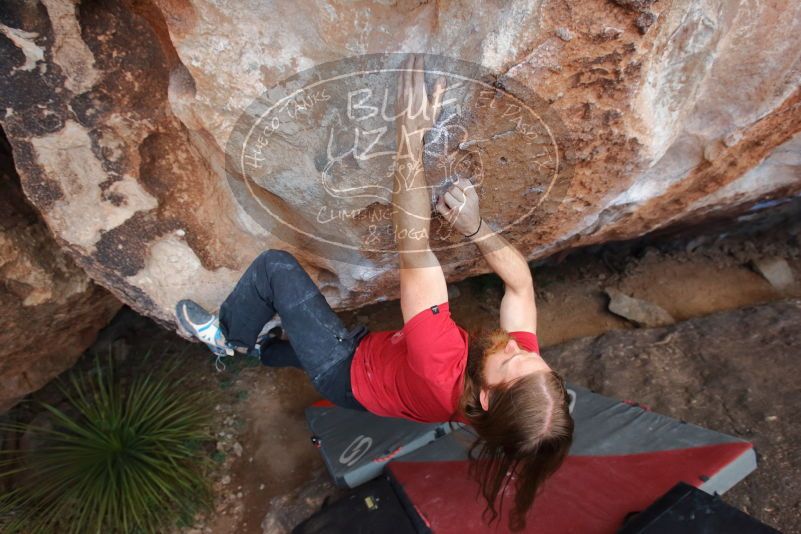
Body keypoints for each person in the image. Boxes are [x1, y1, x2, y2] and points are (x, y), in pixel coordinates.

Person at [176, 55, 573, 531]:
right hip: (374, 377)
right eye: (535, 358)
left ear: (486, 399)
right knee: (284, 348)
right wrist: (477, 227)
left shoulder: (438, 362)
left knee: (275, 270)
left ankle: (227, 339)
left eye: (513, 359)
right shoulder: (514, 381)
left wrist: (409, 135)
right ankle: (256, 352)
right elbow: (521, 284)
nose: (518, 345)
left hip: (345, 368)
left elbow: (414, 247)